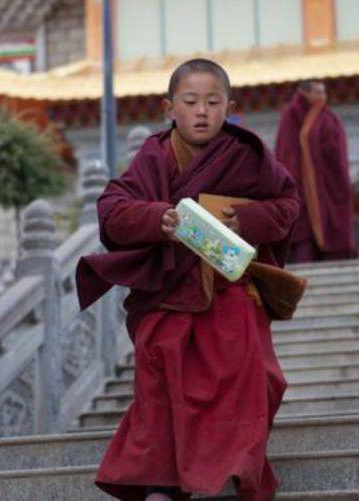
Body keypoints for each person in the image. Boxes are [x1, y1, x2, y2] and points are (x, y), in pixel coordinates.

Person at [75, 58, 300, 501]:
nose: (202, 112)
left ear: (229, 108)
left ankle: (234, 466)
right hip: (169, 290)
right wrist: (155, 217)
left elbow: (288, 203)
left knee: (254, 370)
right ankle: (163, 483)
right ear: (169, 108)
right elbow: (112, 208)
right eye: (191, 102)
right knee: (163, 370)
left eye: (213, 103)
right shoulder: (154, 157)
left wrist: (248, 219)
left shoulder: (246, 154)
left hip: (228, 285)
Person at [275, 79, 356, 262]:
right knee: (303, 234)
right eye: (318, 93)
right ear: (305, 93)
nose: (322, 97)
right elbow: (287, 153)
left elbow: (336, 154)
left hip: (326, 185)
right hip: (300, 186)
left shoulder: (327, 117)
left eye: (323, 93)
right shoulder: (291, 114)